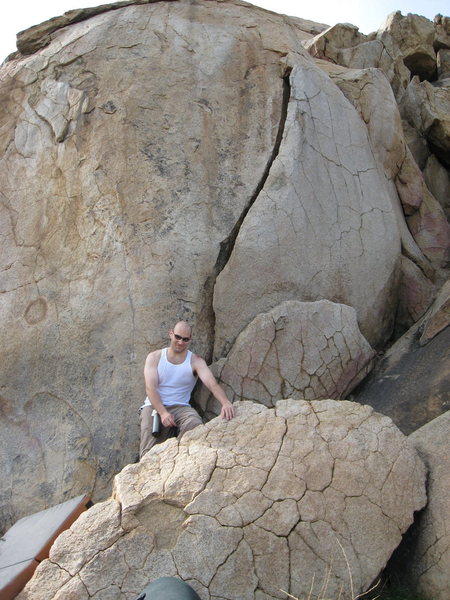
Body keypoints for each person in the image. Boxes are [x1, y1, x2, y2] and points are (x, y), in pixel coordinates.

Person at [140, 320, 235, 458]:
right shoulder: (155, 357)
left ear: (190, 339)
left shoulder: (195, 361)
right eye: (177, 337)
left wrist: (225, 402)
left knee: (195, 425)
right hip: (154, 407)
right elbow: (150, 388)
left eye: (185, 339)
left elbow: (211, 383)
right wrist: (163, 413)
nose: (180, 342)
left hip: (181, 407)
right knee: (148, 453)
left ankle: (179, 459)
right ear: (171, 333)